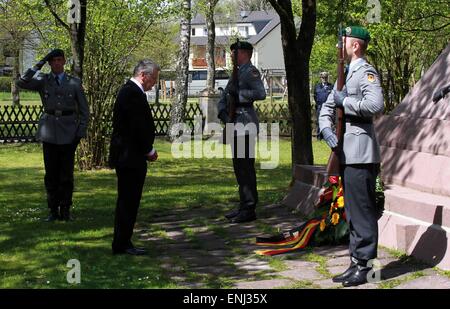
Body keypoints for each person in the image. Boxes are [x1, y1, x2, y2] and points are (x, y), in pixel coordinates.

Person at [319, 26, 384, 287]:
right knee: (353, 212)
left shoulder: (365, 72)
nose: (340, 46)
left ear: (355, 46)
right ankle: (356, 261)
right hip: (346, 152)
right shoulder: (344, 74)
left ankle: (367, 266)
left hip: (361, 153)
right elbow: (327, 107)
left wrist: (345, 102)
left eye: (343, 41)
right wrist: (326, 129)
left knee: (363, 212)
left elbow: (375, 105)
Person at [16, 49, 89, 222]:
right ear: (49, 63)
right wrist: (39, 63)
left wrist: (80, 133)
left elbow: (84, 111)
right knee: (51, 174)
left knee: (66, 174)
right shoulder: (43, 80)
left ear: (64, 61)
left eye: (59, 60)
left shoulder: (74, 82)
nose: (56, 63)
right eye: (53, 60)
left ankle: (65, 209)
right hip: (49, 132)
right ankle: (53, 210)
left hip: (69, 132)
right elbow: (21, 82)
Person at [109, 59, 159, 256]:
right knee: (128, 201)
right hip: (130, 156)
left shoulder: (131, 91)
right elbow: (136, 127)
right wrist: (148, 150)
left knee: (129, 200)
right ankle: (122, 243)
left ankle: (123, 240)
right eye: (153, 78)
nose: (154, 82)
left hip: (129, 154)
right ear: (143, 75)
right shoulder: (132, 93)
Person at [218, 41, 266, 223]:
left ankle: (249, 207)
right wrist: (223, 113)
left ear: (244, 53)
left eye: (233, 53)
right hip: (235, 123)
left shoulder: (251, 71)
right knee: (239, 168)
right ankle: (243, 205)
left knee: (245, 167)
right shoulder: (237, 72)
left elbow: (260, 93)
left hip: (245, 124)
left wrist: (240, 94)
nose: (231, 56)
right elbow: (226, 96)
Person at [313, 72, 333, 140]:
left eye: (325, 77)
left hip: (328, 107)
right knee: (319, 121)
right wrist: (318, 103)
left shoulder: (331, 86)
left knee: (328, 122)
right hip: (319, 106)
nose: (324, 79)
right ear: (320, 78)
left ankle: (326, 137)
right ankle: (319, 137)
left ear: (327, 78)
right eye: (323, 77)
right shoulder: (317, 86)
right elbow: (315, 96)